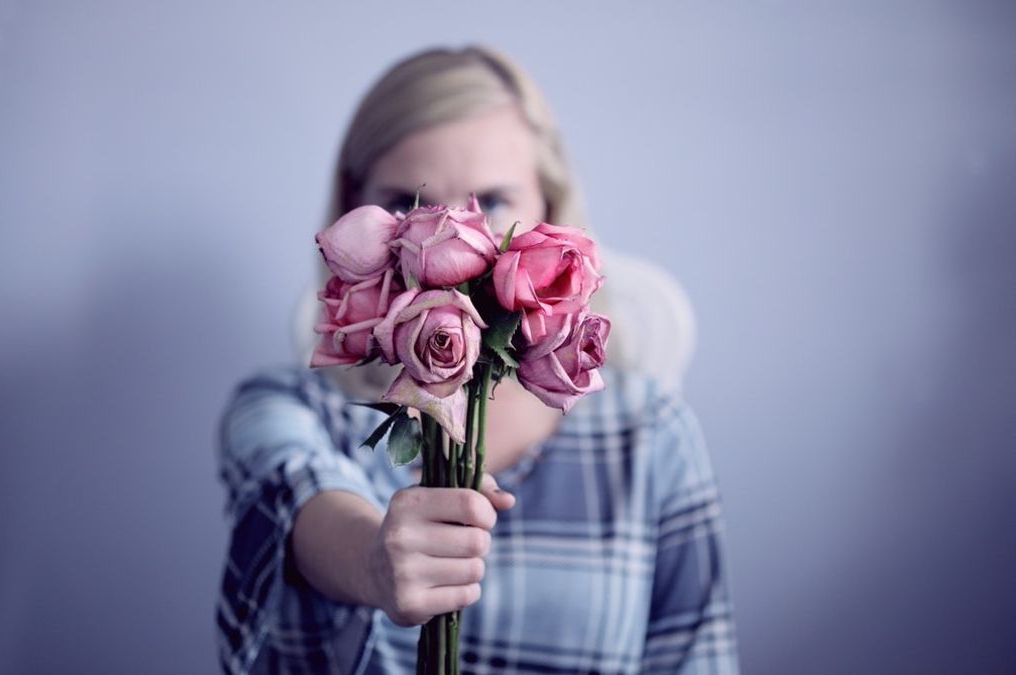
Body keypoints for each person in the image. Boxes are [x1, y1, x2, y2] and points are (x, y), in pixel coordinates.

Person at [216, 45, 738, 674]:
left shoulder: (650, 435)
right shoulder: (288, 408)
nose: (456, 233)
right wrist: (374, 563)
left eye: (491, 201)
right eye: (411, 203)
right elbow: (296, 493)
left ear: (549, 207)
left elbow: (697, 659)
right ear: (356, 214)